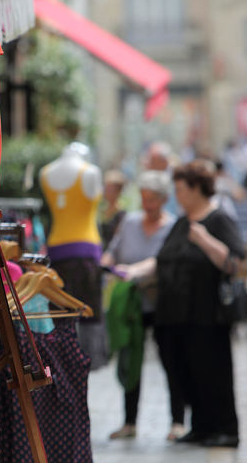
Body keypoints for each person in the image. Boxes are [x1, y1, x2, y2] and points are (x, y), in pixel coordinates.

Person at [153, 160, 246, 448]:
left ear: (196, 189)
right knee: (185, 370)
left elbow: (237, 263)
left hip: (207, 313)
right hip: (176, 314)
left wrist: (206, 241)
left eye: (180, 189)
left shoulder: (217, 220)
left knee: (213, 371)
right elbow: (161, 260)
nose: (176, 195)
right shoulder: (181, 223)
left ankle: (225, 429)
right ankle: (202, 426)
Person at [100, 171, 179, 441]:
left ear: (165, 199)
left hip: (162, 303)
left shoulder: (173, 226)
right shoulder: (130, 222)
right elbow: (114, 249)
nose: (147, 205)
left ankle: (178, 420)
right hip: (132, 305)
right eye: (144, 199)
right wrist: (107, 262)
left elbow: (160, 261)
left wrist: (134, 271)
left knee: (171, 360)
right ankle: (129, 422)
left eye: (153, 200)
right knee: (130, 359)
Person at [40, 142, 108, 369]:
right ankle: (90, 361)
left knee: (60, 310)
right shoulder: (90, 172)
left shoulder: (46, 172)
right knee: (89, 310)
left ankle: (62, 361)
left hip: (56, 248)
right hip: (86, 250)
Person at [99, 169, 127, 251]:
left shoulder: (121, 214)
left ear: (118, 191)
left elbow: (118, 239)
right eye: (106, 188)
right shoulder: (102, 209)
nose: (106, 191)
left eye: (109, 189)